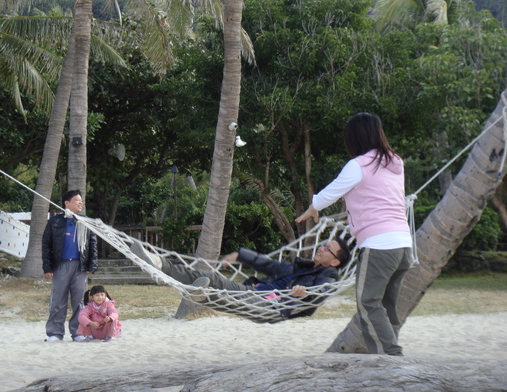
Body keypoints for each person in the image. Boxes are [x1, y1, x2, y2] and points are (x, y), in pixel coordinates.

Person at [295, 112, 413, 356]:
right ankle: (391, 354)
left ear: (355, 138)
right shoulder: (395, 162)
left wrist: (313, 207)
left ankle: (390, 357)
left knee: (368, 302)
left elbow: (332, 191)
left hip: (380, 245)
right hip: (403, 244)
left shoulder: (359, 165)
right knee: (388, 305)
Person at [131, 238, 349, 319]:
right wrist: (241, 255)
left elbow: (324, 289)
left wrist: (307, 293)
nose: (321, 248)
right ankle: (160, 264)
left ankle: (203, 297)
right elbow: (270, 265)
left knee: (228, 294)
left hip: (273, 306)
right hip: (256, 293)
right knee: (209, 277)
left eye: (327, 248)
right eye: (323, 244)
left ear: (335, 261)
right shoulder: (301, 266)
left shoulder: (329, 275)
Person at [42, 190, 98, 342]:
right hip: (60, 265)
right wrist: (47, 267)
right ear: (67, 203)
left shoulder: (85, 221)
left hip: (80, 266)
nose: (81, 203)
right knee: (58, 301)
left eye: (81, 201)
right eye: (77, 200)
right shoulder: (55, 221)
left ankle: (78, 333)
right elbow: (46, 244)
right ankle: (55, 333)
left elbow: (93, 243)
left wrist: (92, 264)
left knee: (79, 301)